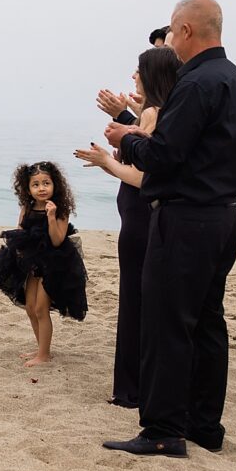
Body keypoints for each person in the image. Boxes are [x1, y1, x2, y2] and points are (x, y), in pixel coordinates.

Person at [101, 0, 236, 457]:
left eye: (171, 31)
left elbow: (166, 155)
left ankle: (164, 430)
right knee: (208, 322)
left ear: (187, 31)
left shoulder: (196, 83)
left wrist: (126, 138)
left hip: (186, 218)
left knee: (167, 323)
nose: (169, 41)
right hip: (225, 217)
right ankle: (205, 425)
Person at [74, 46, 180, 407]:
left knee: (136, 301)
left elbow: (144, 176)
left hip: (142, 218)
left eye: (138, 70)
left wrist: (107, 161)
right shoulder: (154, 112)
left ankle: (131, 390)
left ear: (152, 76)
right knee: (140, 301)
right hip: (139, 217)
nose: (134, 75)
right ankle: (134, 386)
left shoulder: (155, 112)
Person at [0, 161, 88, 366]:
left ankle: (44, 355)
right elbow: (19, 231)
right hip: (31, 262)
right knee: (30, 307)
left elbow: (57, 240)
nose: (41, 188)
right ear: (27, 189)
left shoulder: (60, 209)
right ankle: (41, 348)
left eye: (46, 183)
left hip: (54, 263)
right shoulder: (27, 208)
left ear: (55, 185)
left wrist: (52, 217)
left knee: (41, 308)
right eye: (35, 184)